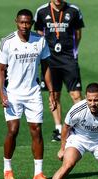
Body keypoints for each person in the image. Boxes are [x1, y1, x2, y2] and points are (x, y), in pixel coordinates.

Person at [0, 9, 56, 179]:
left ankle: (38, 173)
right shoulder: (7, 42)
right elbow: (0, 70)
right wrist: (2, 93)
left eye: (28, 23)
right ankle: (7, 170)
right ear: (16, 22)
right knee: (13, 130)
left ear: (32, 23)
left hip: (33, 92)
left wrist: (51, 92)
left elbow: (46, 68)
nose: (24, 26)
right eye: (21, 22)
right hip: (13, 93)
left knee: (36, 130)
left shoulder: (40, 41)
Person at [34, 0, 85, 142]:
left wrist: (72, 51)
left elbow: (78, 34)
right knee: (54, 95)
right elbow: (39, 35)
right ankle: (58, 129)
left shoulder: (74, 10)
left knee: (76, 94)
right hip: (49, 60)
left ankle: (81, 128)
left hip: (68, 59)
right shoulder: (41, 11)